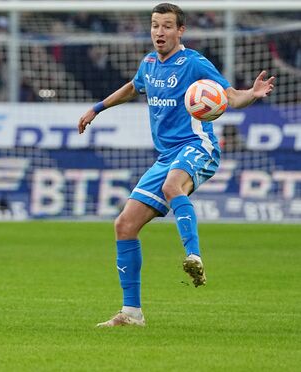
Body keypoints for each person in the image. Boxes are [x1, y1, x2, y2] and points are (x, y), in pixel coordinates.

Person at [77, 3, 275, 327]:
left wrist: (251, 94)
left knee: (172, 186)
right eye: (155, 25)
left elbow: (230, 96)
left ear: (180, 30)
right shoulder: (149, 64)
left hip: (199, 146)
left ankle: (194, 256)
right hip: (166, 156)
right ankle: (132, 314)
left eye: (167, 26)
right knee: (124, 225)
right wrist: (97, 108)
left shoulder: (194, 63)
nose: (159, 32)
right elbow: (132, 87)